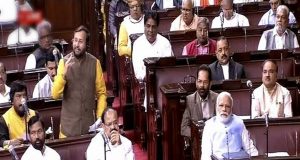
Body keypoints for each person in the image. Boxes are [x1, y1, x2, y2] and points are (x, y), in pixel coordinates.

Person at [52, 25, 107, 138]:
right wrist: (63, 75)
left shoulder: (95, 63)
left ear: (86, 44)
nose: (76, 45)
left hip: (89, 128)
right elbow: (55, 95)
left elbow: (101, 93)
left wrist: (99, 116)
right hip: (68, 129)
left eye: (80, 41)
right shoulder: (64, 62)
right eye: (75, 40)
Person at [132, 11, 173, 108]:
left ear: (158, 27)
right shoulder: (137, 44)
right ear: (144, 26)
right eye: (148, 26)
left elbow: (169, 67)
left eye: (154, 27)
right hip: (147, 84)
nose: (150, 30)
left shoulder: (165, 43)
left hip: (165, 83)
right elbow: (138, 73)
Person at [201, 92, 258, 160]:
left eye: (227, 106)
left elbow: (249, 148)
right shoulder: (209, 125)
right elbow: (206, 154)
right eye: (221, 105)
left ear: (231, 108)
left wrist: (256, 157)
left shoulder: (239, 123)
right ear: (216, 106)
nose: (224, 109)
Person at [181, 64, 218, 138]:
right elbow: (184, 128)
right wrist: (198, 134)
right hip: (197, 141)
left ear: (210, 84)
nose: (202, 85)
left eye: (205, 82)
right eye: (200, 81)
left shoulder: (217, 98)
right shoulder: (189, 100)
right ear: (196, 83)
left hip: (214, 139)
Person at [0, 80, 37, 148]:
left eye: (24, 96)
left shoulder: (34, 114)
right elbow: (1, 142)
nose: (22, 99)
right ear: (12, 100)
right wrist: (10, 142)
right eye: (18, 96)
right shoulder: (4, 119)